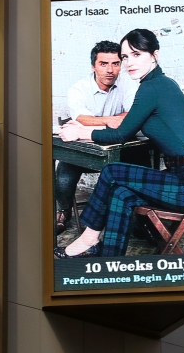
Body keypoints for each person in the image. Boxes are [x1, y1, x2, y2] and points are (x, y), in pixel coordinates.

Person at [57, 29, 184, 257]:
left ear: (154, 55)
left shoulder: (153, 87)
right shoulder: (157, 84)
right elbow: (125, 127)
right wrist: (85, 129)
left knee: (112, 172)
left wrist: (81, 132)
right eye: (125, 57)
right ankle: (110, 255)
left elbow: (120, 134)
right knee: (122, 193)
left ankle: (89, 238)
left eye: (136, 54)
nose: (129, 62)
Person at [54, 41, 138, 234]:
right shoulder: (79, 88)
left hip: (117, 148)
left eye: (115, 63)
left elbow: (134, 114)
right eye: (103, 64)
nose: (110, 70)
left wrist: (98, 122)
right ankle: (64, 210)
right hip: (89, 149)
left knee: (141, 161)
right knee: (65, 166)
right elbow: (81, 118)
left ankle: (139, 218)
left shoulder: (127, 82)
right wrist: (115, 121)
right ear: (93, 66)